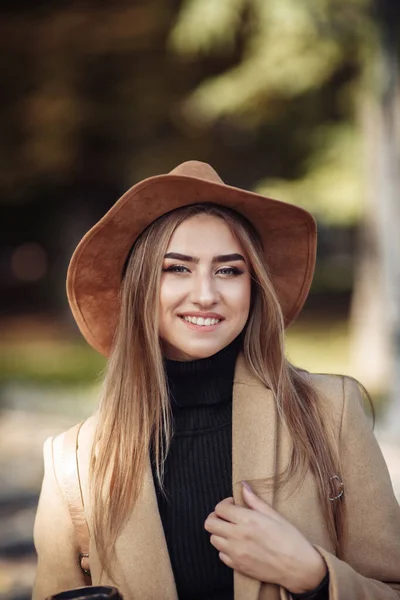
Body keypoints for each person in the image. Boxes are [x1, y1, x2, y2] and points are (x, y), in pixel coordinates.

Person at [32, 161, 400, 600]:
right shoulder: (73, 462)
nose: (206, 294)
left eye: (228, 270)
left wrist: (315, 576)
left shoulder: (329, 412)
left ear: (254, 286)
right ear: (142, 287)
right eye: (177, 269)